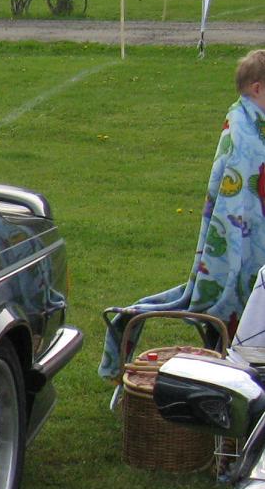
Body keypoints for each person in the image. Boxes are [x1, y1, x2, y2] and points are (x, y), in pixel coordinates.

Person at [101, 49, 265, 377]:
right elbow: (238, 192)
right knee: (238, 295)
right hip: (239, 244)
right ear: (257, 88)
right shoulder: (242, 130)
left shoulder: (253, 124)